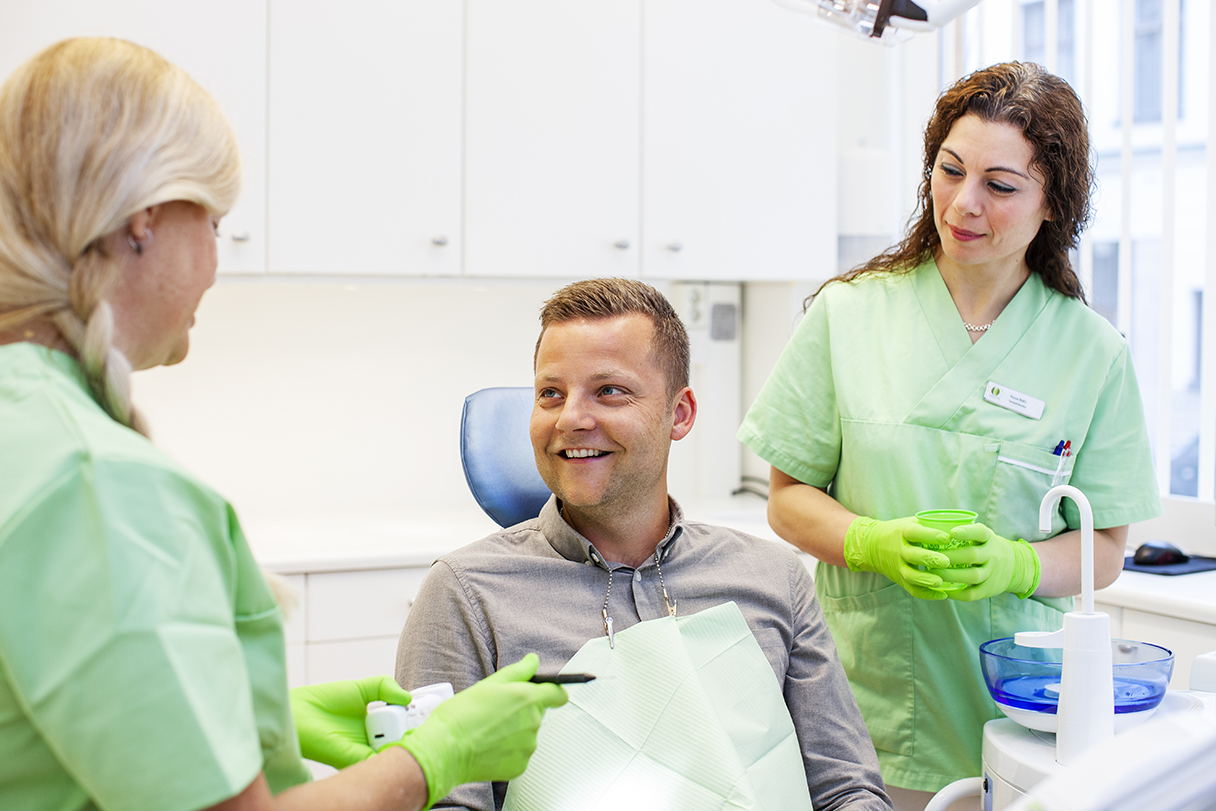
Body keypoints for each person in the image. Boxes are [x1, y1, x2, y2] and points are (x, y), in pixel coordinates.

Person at [0, 37, 565, 811]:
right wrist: (437, 756)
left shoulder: (30, 425)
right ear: (142, 220)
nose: (215, 261)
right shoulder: (100, 483)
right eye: (214, 223)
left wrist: (263, 718)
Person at [737, 62, 1161, 807]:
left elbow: (1104, 549)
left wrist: (1015, 565)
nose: (964, 203)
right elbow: (787, 498)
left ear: (1053, 203)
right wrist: (870, 542)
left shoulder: (1092, 352)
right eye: (950, 170)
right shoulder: (848, 314)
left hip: (1018, 714)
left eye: (1000, 186)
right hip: (857, 706)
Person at [395, 277, 892, 811]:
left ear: (680, 414)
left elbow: (846, 789)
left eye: (609, 390)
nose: (571, 418)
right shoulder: (466, 596)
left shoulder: (772, 578)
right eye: (550, 393)